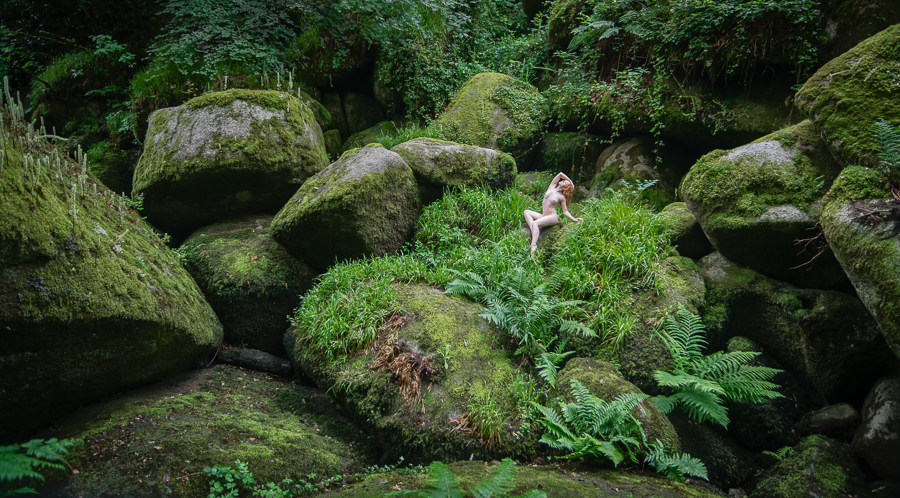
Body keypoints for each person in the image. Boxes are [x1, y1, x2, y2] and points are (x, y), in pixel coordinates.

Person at [523, 172, 583, 254]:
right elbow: (560, 174)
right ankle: (534, 231)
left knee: (535, 223)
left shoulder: (561, 197)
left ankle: (533, 245)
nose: (563, 181)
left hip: (552, 217)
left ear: (565, 188)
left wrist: (574, 219)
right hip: (544, 215)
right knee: (526, 212)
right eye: (564, 180)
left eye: (565, 183)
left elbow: (565, 211)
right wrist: (570, 181)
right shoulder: (552, 187)